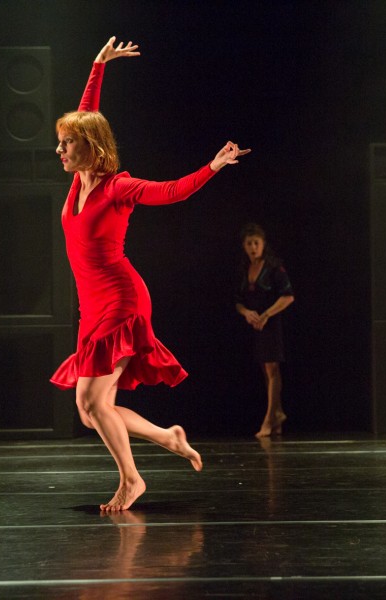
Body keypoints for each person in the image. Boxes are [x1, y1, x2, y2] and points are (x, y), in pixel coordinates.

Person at [50, 37, 250, 512]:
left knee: (94, 403)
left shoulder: (119, 188)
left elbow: (173, 191)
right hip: (91, 306)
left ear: (89, 146)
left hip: (121, 300)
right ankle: (168, 436)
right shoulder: (78, 182)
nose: (59, 148)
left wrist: (213, 166)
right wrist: (98, 65)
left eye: (67, 142)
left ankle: (132, 481)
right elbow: (87, 114)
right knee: (89, 410)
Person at [235, 223, 294, 437]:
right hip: (255, 324)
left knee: (272, 369)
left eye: (256, 243)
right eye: (249, 243)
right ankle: (277, 415)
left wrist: (267, 314)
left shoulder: (273, 267)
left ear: (263, 244)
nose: (253, 247)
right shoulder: (244, 269)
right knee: (265, 370)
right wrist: (246, 313)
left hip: (270, 324)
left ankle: (269, 420)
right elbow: (238, 301)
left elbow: (288, 296)